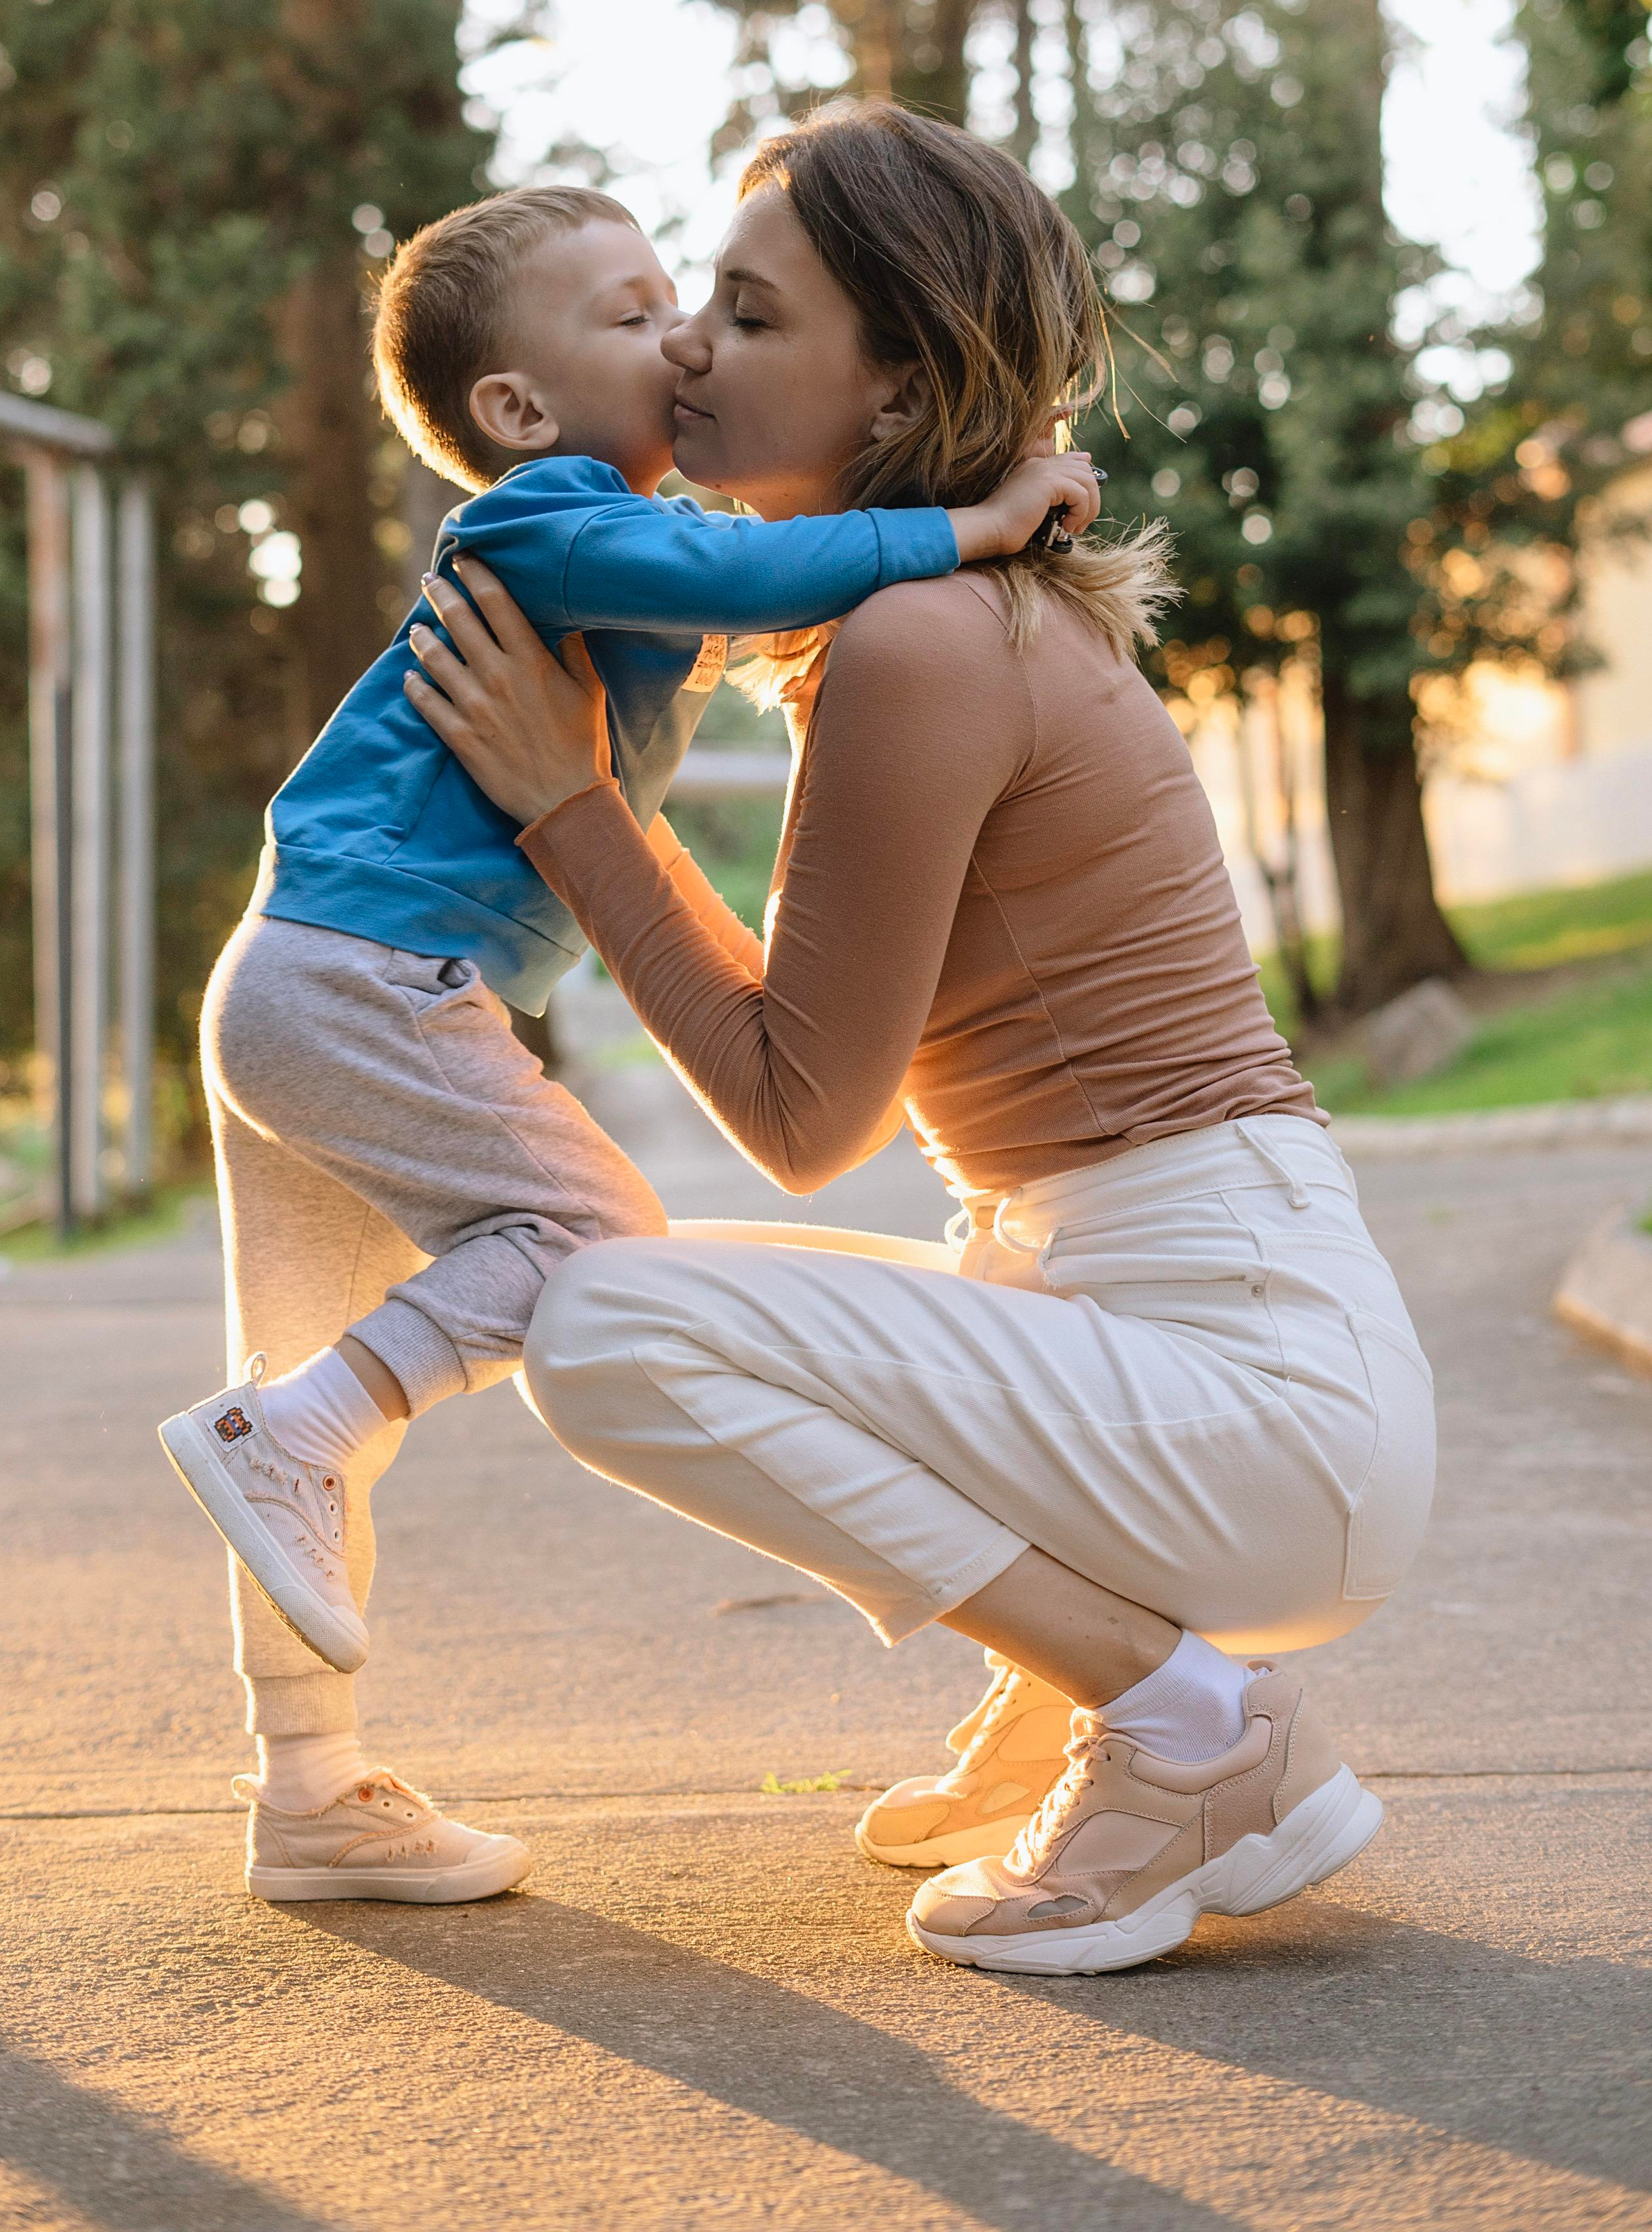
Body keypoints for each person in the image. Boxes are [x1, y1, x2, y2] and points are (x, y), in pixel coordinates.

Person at [402, 101, 1438, 1977]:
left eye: (750, 314)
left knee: (607, 1324)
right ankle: (1079, 1695)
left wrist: (572, 808)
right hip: (1224, 1359)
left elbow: (802, 1112)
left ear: (893, 386)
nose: (688, 346)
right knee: (654, 1288)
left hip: (1251, 1399)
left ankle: (1191, 1728)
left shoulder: (924, 643)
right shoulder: (934, 618)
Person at [158, 180, 1100, 1907]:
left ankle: (307, 1786)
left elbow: (755, 592)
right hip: (361, 980)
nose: (679, 340)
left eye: (690, 303)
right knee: (585, 1240)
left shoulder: (609, 539)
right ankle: (291, 1435)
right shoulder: (549, 516)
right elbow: (750, 570)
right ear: (516, 409)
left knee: (290, 1361)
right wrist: (975, 521)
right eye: (632, 314)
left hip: (306, 977)